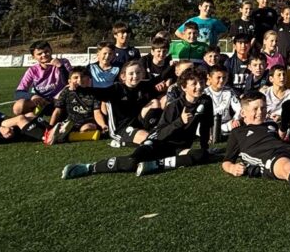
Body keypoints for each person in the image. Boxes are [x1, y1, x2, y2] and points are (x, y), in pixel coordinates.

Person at [62, 69, 215, 179]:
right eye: (194, 83)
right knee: (131, 163)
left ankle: (156, 165)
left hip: (178, 149)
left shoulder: (205, 101)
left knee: (202, 155)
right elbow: (160, 134)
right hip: (158, 143)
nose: (199, 87)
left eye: (201, 83)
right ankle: (89, 167)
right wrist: (180, 121)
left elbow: (206, 124)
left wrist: (205, 146)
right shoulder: (174, 106)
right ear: (183, 87)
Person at [75, 61, 161, 147]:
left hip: (139, 123)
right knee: (148, 139)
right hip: (121, 128)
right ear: (123, 76)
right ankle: (122, 142)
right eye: (131, 73)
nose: (135, 76)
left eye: (138, 73)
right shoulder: (116, 89)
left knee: (155, 102)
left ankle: (153, 129)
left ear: (142, 74)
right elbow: (96, 92)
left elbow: (161, 78)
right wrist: (78, 88)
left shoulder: (144, 86)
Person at [45, 66, 102, 144]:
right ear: (69, 81)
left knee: (87, 128)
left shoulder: (94, 93)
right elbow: (57, 110)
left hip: (87, 121)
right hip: (70, 122)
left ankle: (65, 137)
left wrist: (103, 125)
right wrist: (50, 127)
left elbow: (97, 112)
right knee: (64, 126)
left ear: (89, 80)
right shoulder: (66, 91)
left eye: (82, 77)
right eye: (75, 77)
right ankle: (61, 134)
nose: (79, 80)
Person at [13, 41, 70, 115]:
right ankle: (36, 119)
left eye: (46, 51)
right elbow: (18, 93)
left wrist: (60, 67)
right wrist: (33, 96)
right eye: (39, 54)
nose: (44, 55)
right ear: (33, 57)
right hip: (41, 102)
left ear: (51, 51)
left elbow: (68, 82)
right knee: (18, 106)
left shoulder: (63, 62)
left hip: (60, 100)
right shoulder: (32, 70)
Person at [204, 65, 241, 141]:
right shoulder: (204, 93)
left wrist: (236, 119)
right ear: (209, 78)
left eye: (224, 78)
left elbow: (239, 109)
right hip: (209, 125)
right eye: (218, 77)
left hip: (226, 124)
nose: (221, 80)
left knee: (237, 125)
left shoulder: (229, 91)